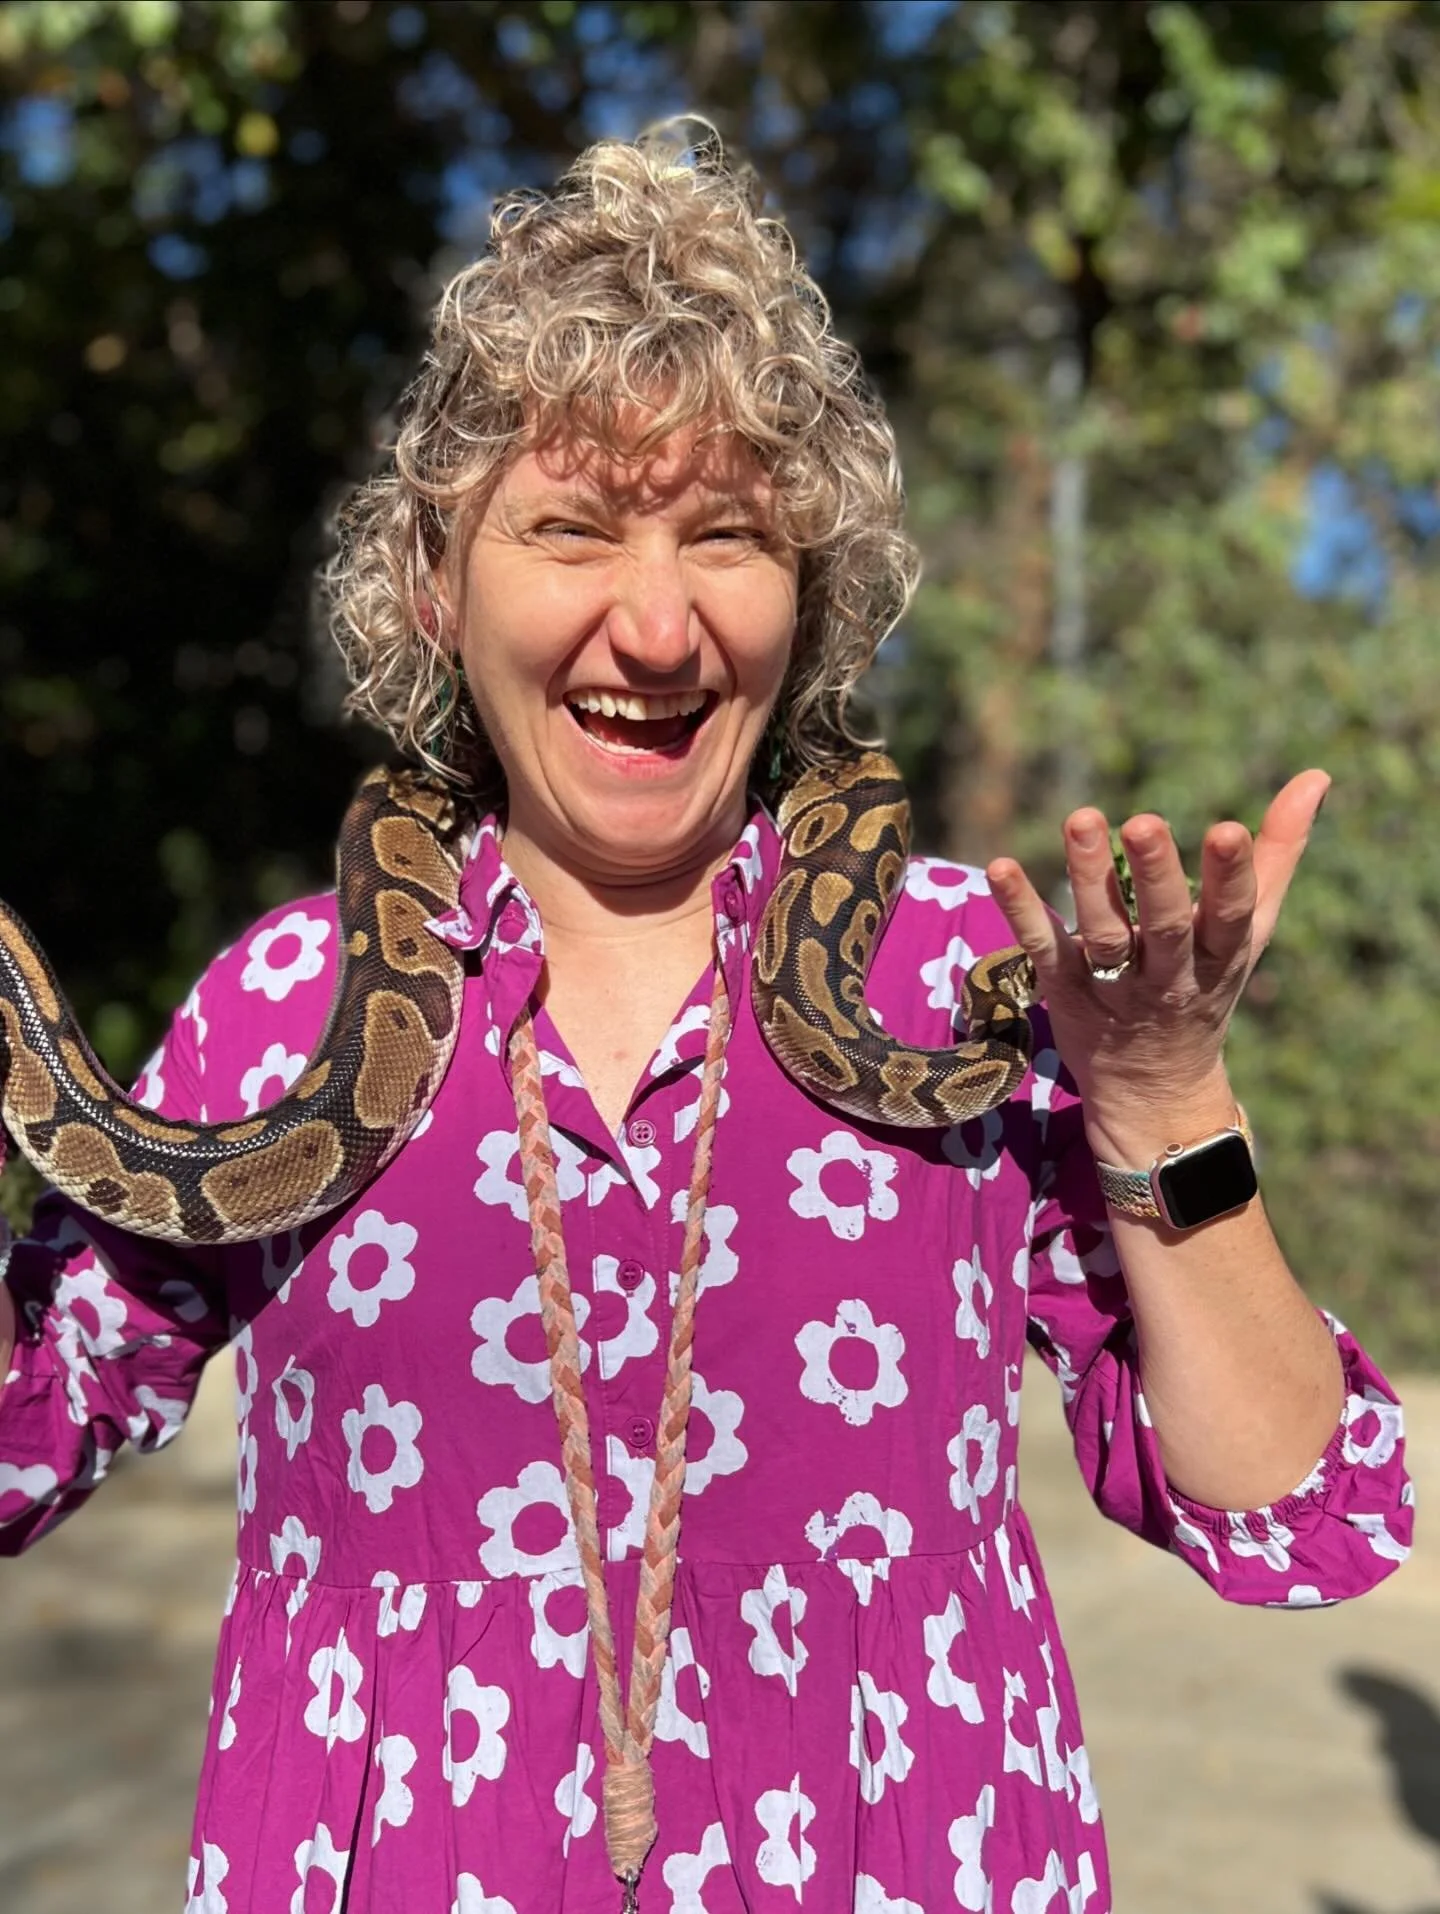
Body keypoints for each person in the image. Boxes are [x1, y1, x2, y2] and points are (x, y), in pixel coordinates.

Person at [0, 128, 1411, 1914]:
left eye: (727, 534)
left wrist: (1163, 1091)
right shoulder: (278, 1010)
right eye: (571, 526)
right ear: (439, 585)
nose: (656, 625)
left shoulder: (972, 970)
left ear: (803, 596)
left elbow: (1300, 1515)